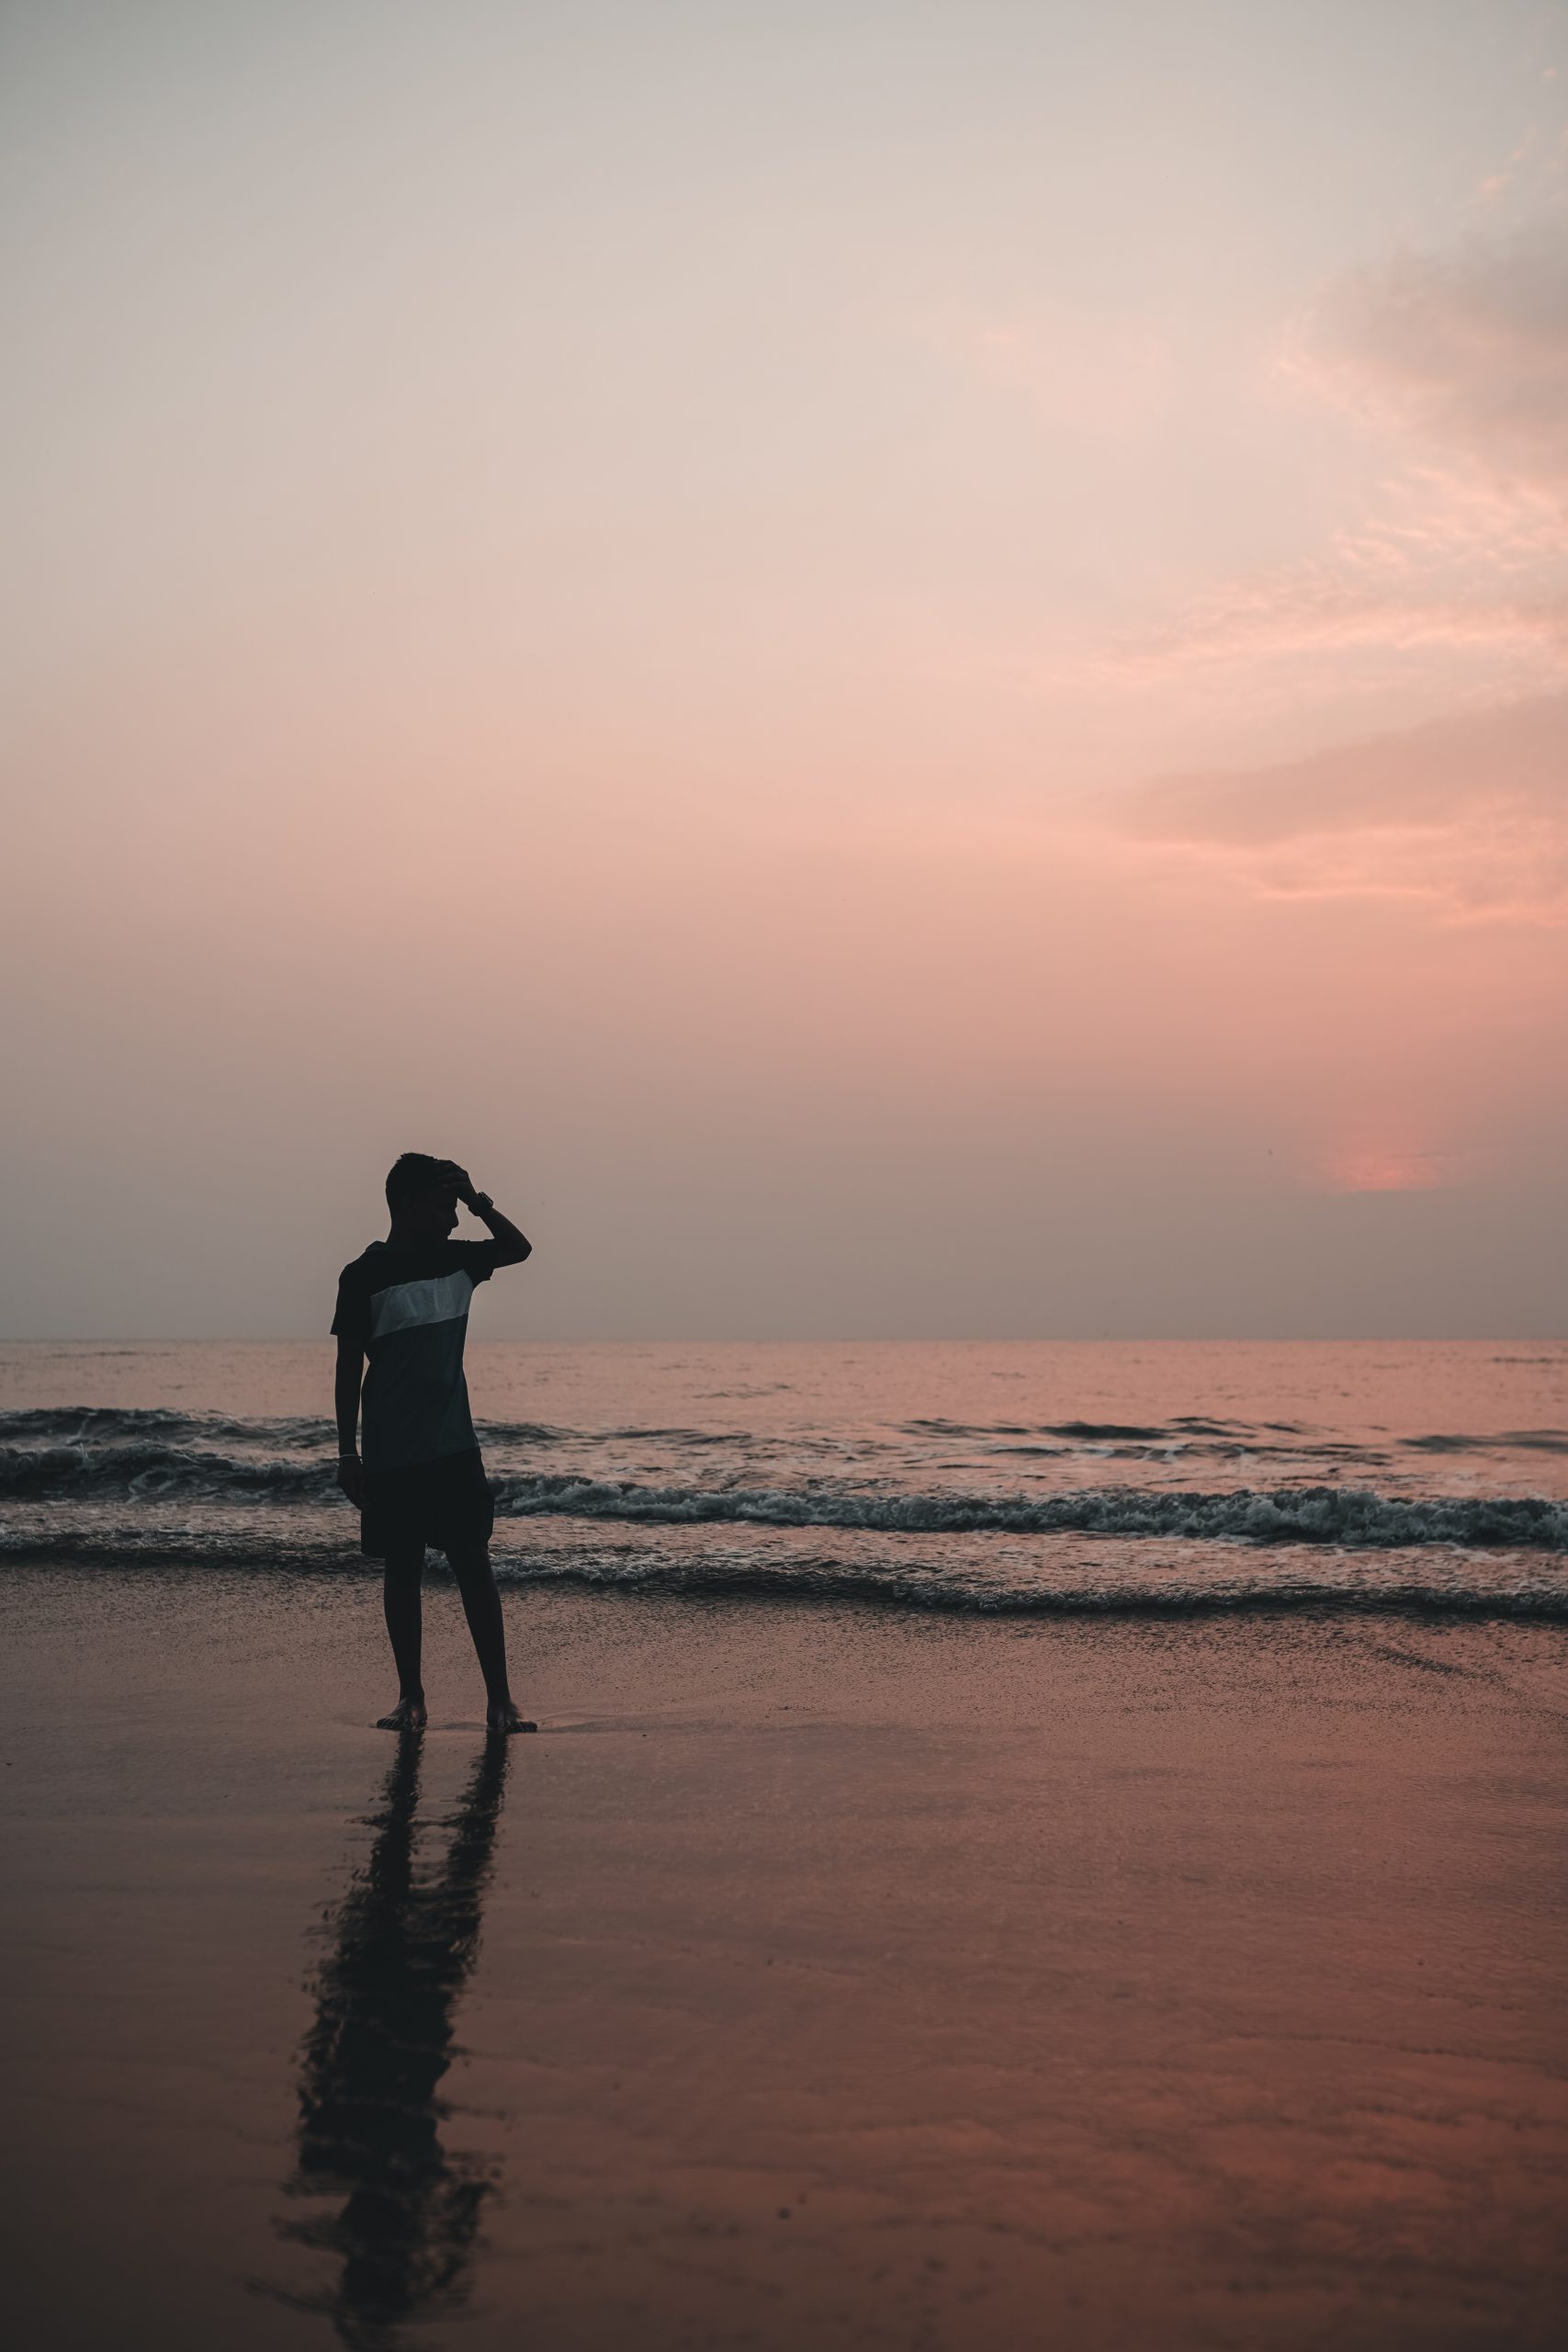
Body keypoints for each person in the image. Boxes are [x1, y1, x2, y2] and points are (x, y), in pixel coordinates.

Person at [333, 1154, 535, 1734]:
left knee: (474, 1565)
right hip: (392, 1455)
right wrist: (349, 1454)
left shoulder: (459, 1261)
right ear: (408, 1203)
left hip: (454, 1449)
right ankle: (411, 1698)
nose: (452, 1220)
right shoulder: (362, 1274)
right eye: (445, 1205)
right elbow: (348, 1370)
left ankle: (501, 1701)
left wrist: (478, 1200)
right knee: (402, 1571)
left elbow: (518, 1249)